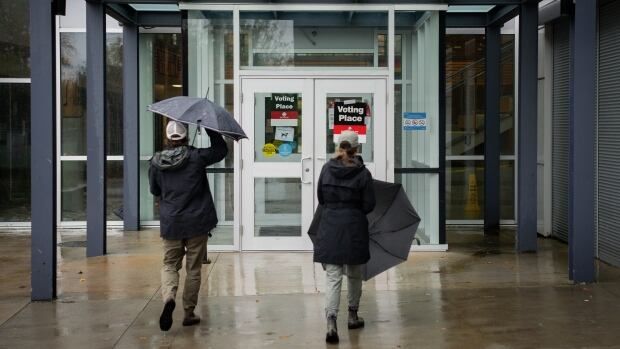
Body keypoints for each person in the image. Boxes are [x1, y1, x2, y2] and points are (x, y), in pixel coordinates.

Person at [149, 120, 228, 331]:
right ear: (185, 137)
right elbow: (220, 151)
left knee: (169, 265)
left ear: (167, 139)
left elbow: (155, 190)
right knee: (193, 269)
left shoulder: (156, 162)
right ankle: (189, 312)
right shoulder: (196, 157)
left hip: (172, 223)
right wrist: (211, 127)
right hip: (197, 222)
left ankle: (168, 298)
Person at [314, 130, 376, 344]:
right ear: (357, 148)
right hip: (354, 227)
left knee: (333, 276)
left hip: (330, 225)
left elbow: (321, 198)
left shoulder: (326, 169)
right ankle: (352, 315)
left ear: (338, 146)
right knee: (354, 273)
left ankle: (331, 322)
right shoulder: (363, 173)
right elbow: (369, 205)